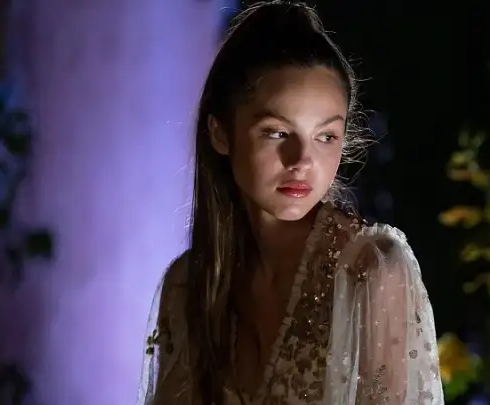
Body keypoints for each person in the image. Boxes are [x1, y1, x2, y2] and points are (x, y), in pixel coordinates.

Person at [137, 2, 443, 404]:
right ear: (220, 133)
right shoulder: (188, 285)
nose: (302, 161)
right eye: (277, 133)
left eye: (325, 137)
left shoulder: (370, 271)